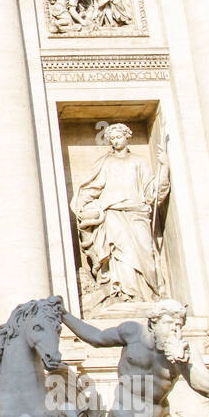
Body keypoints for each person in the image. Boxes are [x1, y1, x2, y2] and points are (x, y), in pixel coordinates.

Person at [61, 299, 209, 417]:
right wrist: (65, 315)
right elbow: (96, 337)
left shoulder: (186, 352)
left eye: (178, 326)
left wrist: (183, 364)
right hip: (127, 416)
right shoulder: (133, 334)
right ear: (152, 324)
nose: (174, 331)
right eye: (169, 323)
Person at [70, 123, 169, 304]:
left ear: (127, 137)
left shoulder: (139, 162)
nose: (116, 141)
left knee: (145, 252)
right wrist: (81, 204)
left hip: (137, 213)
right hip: (113, 213)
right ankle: (124, 294)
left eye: (119, 137)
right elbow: (92, 188)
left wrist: (164, 167)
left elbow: (153, 192)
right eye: (112, 138)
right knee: (119, 254)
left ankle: (147, 293)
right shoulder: (105, 163)